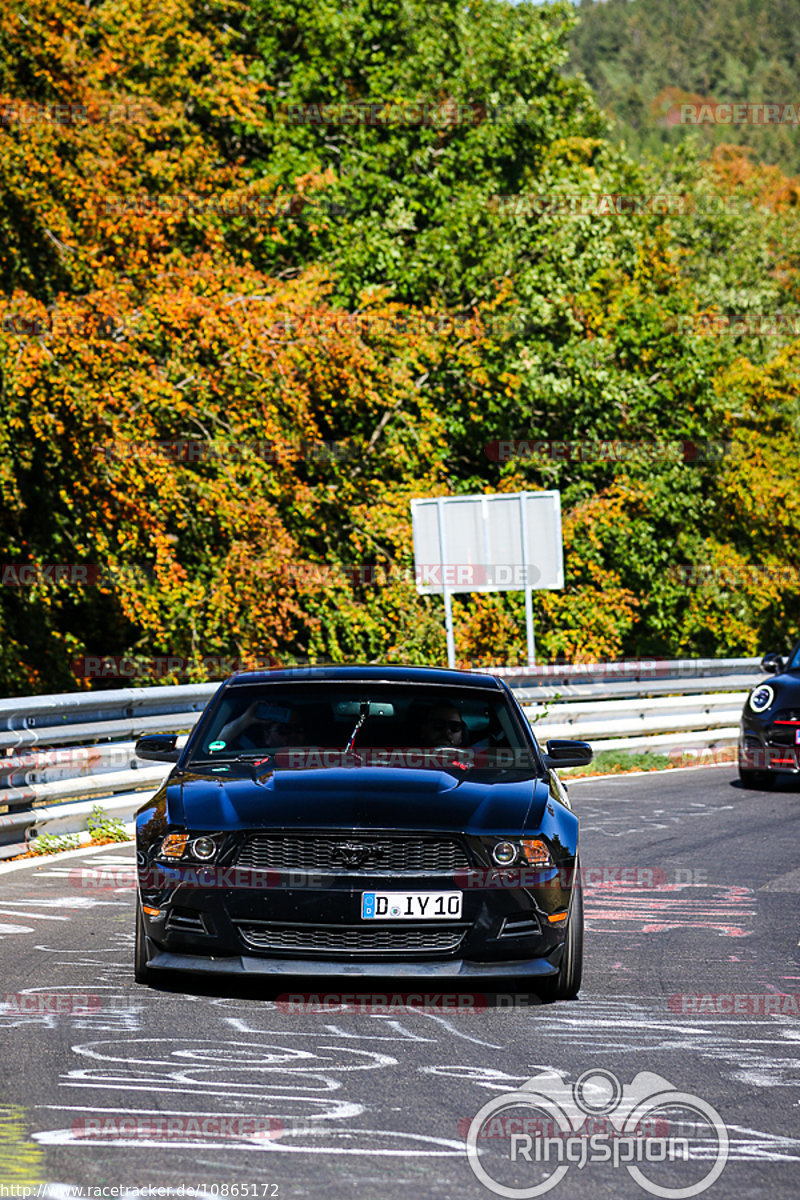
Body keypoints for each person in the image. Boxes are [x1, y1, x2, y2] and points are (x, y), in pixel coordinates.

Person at [217, 701, 305, 750]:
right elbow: (215, 745)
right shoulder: (252, 760)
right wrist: (245, 719)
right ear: (267, 736)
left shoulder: (316, 758)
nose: (293, 735)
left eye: (299, 730)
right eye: (284, 730)